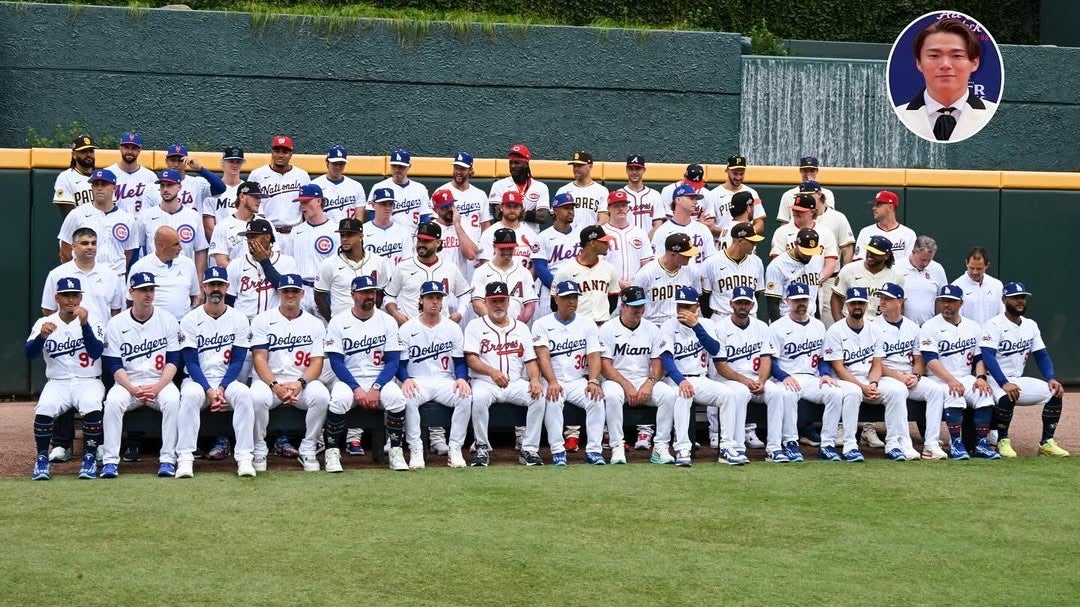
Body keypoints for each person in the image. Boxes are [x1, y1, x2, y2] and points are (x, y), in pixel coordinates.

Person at [322, 275, 409, 472]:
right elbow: (336, 362)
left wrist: (376, 387)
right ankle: (332, 452)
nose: (369, 296)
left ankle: (396, 451)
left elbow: (393, 361)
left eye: (372, 292)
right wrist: (356, 388)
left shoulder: (387, 321)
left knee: (397, 398)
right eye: (364, 293)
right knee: (338, 400)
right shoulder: (338, 321)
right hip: (348, 379)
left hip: (379, 378)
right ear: (353, 295)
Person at [100, 272, 182, 478]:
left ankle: (168, 459)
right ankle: (110, 461)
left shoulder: (168, 320)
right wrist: (132, 389)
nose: (148, 294)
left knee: (173, 400)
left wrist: (157, 387)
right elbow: (113, 364)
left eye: (151, 289)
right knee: (112, 402)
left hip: (160, 382)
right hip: (128, 383)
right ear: (131, 292)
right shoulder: (116, 323)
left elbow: (173, 361)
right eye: (143, 290)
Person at [177, 266, 256, 477]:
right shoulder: (190, 320)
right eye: (212, 285)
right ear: (204, 287)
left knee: (244, 394)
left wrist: (221, 387)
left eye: (220, 285)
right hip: (197, 380)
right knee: (190, 395)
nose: (215, 289)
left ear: (227, 287)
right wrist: (209, 390)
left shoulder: (238, 318)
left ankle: (244, 457)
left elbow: (238, 359)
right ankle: (185, 457)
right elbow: (191, 362)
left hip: (226, 381)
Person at [249, 274, 331, 472]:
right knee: (256, 397)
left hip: (300, 383)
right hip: (269, 382)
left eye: (295, 290)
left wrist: (300, 383)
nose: (290, 294)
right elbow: (259, 358)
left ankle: (309, 446)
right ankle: (259, 447)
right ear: (279, 293)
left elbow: (316, 362)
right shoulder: (263, 320)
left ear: (302, 293)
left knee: (321, 395)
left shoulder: (315, 323)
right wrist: (275, 386)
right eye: (286, 290)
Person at [26, 278, 105, 480]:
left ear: (80, 297)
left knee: (91, 404)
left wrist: (85, 325)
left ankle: (89, 458)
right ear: (57, 298)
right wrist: (40, 338)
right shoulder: (44, 323)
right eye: (66, 295)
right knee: (44, 407)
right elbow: (30, 354)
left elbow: (96, 352)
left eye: (75, 295)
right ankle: (42, 460)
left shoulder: (93, 320)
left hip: (88, 379)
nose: (70, 300)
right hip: (58, 382)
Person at [599, 286, 687, 465]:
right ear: (623, 306)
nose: (639, 310)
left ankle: (660, 447)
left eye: (641, 306)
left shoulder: (652, 329)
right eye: (634, 306)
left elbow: (658, 362)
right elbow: (605, 366)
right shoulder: (608, 328)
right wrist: (626, 385)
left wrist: (650, 382)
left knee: (669, 395)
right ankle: (617, 446)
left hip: (643, 379)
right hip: (616, 379)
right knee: (612, 395)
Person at [714, 286, 802, 463]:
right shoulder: (720, 327)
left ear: (752, 305)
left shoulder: (761, 326)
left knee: (776, 393)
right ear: (731, 304)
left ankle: (774, 448)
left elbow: (766, 358)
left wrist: (761, 381)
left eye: (746, 303)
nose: (743, 307)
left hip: (755, 378)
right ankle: (737, 448)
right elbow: (720, 366)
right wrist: (746, 381)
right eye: (739, 303)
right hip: (729, 379)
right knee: (739, 393)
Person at [825, 287, 913, 461]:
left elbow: (877, 364)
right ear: (846, 305)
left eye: (860, 303)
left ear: (866, 305)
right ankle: (850, 445)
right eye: (853, 303)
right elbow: (839, 367)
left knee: (898, 390)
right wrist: (862, 386)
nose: (857, 306)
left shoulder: (874, 330)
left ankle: (894, 444)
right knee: (853, 392)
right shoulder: (835, 330)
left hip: (869, 378)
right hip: (846, 380)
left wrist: (872, 384)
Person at [983, 282, 1069, 458]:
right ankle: (1002, 440)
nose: (1020, 301)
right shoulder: (994, 324)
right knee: (1008, 395)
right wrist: (1004, 383)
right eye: (1015, 298)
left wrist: (1051, 377)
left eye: (1022, 297)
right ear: (1004, 299)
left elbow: (1041, 355)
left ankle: (1047, 442)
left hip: (1017, 378)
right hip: (994, 379)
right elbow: (988, 356)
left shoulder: (1030, 325)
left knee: (1055, 392)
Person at [464, 282, 545, 466]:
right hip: (485, 382)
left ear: (509, 302)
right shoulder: (475, 326)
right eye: (494, 301)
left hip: (514, 383)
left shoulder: (521, 328)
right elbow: (471, 359)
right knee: (477, 398)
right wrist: (492, 372)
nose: (498, 305)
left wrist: (534, 379)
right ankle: (482, 447)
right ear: (485, 302)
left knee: (538, 396)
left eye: (502, 300)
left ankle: (529, 449)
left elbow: (531, 360)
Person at [658, 286, 740, 466]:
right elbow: (666, 358)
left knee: (728, 395)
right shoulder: (668, 325)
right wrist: (681, 381)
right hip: (676, 379)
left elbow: (715, 349)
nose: (683, 310)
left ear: (697, 306)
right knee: (683, 395)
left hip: (701, 379)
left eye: (688, 306)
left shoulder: (707, 324)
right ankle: (682, 448)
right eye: (680, 306)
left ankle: (726, 448)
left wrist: (696, 326)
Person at [768, 283, 848, 462]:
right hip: (786, 377)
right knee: (788, 395)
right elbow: (771, 360)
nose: (800, 303)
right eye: (796, 300)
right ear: (787, 301)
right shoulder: (777, 327)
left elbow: (822, 358)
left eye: (803, 299)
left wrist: (826, 373)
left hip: (812, 378)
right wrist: (784, 376)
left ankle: (827, 444)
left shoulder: (818, 326)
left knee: (835, 393)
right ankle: (790, 443)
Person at [398, 281, 474, 468]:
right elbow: (399, 364)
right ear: (421, 300)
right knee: (407, 398)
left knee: (465, 396)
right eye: (430, 297)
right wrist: (405, 379)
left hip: (444, 381)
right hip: (417, 381)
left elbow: (459, 362)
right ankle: (416, 448)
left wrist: (462, 378)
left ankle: (455, 449)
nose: (435, 302)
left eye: (438, 298)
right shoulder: (407, 328)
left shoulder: (452, 328)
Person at [918, 285, 998, 460]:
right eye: (943, 301)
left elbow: (979, 358)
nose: (946, 305)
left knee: (984, 394)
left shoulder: (973, 326)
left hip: (966, 376)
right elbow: (930, 359)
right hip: (939, 378)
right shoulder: (930, 326)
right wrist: (950, 380)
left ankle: (982, 444)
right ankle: (955, 444)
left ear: (961, 303)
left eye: (951, 301)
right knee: (954, 393)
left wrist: (981, 377)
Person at [532, 281, 606, 465]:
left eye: (574, 297)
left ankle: (594, 451)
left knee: (595, 398)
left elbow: (594, 355)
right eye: (566, 297)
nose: (571, 301)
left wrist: (594, 380)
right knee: (554, 399)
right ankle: (558, 450)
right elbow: (543, 357)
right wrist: (552, 382)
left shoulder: (587, 324)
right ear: (556, 298)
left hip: (576, 380)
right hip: (552, 380)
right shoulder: (542, 323)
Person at [872, 282, 947, 459]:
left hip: (908, 374)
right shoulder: (873, 327)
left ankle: (931, 444)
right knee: (898, 391)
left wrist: (916, 375)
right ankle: (903, 443)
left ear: (900, 302)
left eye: (887, 299)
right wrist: (899, 376)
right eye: (881, 298)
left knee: (936, 390)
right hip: (885, 376)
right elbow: (874, 363)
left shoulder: (913, 327)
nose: (882, 301)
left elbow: (919, 359)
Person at [893, 17, 998, 143]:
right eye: (934, 56)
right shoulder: (896, 116)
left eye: (957, 56)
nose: (945, 65)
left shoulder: (995, 115)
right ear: (919, 63)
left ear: (974, 63)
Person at [384, 221, 471, 325]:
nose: (421, 244)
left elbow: (465, 293)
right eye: (419, 240)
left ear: (438, 243)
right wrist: (396, 314)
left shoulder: (450, 268)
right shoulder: (403, 267)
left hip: (441, 330)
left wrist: (460, 313)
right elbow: (389, 296)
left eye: (426, 241)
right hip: (411, 330)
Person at [57, 168, 139, 276]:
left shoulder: (127, 219)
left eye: (104, 184)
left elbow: (128, 252)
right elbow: (65, 250)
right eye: (96, 184)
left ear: (114, 187)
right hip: (85, 276)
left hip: (116, 277)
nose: (99, 188)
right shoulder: (77, 214)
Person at [135, 169, 210, 278]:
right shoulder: (146, 215)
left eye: (170, 185)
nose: (165, 189)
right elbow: (137, 246)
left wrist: (198, 281)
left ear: (179, 187)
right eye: (162, 185)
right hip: (154, 276)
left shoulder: (192, 216)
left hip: (184, 275)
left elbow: (200, 250)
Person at [314, 217, 391, 321]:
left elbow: (380, 293)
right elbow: (319, 297)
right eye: (342, 235)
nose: (345, 239)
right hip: (342, 324)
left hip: (371, 322)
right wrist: (333, 320)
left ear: (361, 236)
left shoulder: (378, 261)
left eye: (349, 235)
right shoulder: (328, 264)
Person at [226, 218, 298, 321]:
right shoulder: (235, 265)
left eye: (254, 236)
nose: (250, 241)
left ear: (267, 237)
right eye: (248, 237)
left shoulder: (287, 262)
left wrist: (265, 262)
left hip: (275, 323)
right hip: (244, 324)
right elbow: (229, 299)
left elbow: (286, 290)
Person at [282, 183, 339, 314]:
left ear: (319, 201)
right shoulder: (295, 232)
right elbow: (289, 264)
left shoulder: (335, 230)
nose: (303, 206)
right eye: (301, 202)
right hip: (301, 290)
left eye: (306, 202)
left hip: (325, 290)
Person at [434, 152, 490, 279]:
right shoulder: (442, 191)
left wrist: (484, 255)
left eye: (463, 169)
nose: (459, 172)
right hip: (452, 247)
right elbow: (436, 222)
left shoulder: (480, 194)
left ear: (470, 170)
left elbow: (486, 226)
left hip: (475, 252)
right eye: (456, 168)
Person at [770, 193, 839, 293]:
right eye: (794, 209)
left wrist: (817, 280)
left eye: (801, 210)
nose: (796, 212)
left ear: (812, 212)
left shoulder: (825, 232)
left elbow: (830, 263)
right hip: (788, 287)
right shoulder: (782, 232)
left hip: (814, 287)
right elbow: (776, 261)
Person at [128, 226, 200, 320]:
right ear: (161, 246)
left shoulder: (188, 264)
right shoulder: (140, 267)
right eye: (176, 244)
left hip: (183, 324)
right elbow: (130, 300)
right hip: (154, 326)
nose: (180, 248)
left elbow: (193, 295)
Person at [553, 226, 621, 324]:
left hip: (603, 325)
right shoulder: (566, 270)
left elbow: (613, 299)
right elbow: (555, 303)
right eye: (603, 241)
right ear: (592, 243)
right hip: (578, 327)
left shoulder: (609, 268)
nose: (608, 244)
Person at [247, 135, 311, 238]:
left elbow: (308, 205)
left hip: (295, 231)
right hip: (267, 232)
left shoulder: (302, 176)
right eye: (277, 151)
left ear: (291, 154)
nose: (280, 155)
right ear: (272, 152)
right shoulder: (257, 175)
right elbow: (249, 204)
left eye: (285, 152)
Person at [470, 227, 538, 323]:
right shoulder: (481, 271)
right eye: (502, 248)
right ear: (494, 247)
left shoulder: (524, 272)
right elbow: (477, 303)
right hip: (488, 327)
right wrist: (496, 323)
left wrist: (517, 326)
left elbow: (530, 305)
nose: (507, 251)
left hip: (516, 327)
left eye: (510, 248)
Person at [632, 233, 700, 327]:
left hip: (682, 325)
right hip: (654, 326)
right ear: (673, 254)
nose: (690, 256)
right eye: (686, 254)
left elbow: (696, 301)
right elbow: (632, 303)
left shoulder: (693, 271)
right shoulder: (645, 273)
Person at [832, 234, 904, 322]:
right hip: (853, 323)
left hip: (882, 326)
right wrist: (840, 324)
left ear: (887, 255)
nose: (870, 255)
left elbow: (900, 305)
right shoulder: (849, 269)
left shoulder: (896, 276)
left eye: (875, 253)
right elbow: (836, 299)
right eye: (869, 250)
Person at [700, 222, 765, 319]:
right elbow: (704, 298)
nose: (755, 244)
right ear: (740, 241)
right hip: (721, 317)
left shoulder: (757, 262)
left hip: (749, 318)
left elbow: (756, 294)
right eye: (752, 241)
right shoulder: (711, 262)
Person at [532, 192, 580, 319]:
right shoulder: (543, 237)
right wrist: (558, 288)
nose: (570, 211)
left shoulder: (580, 236)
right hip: (550, 292)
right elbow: (540, 268)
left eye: (572, 208)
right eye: (566, 208)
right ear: (556, 211)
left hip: (575, 291)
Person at [209, 181, 275, 267]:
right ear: (242, 197)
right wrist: (243, 274)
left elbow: (275, 254)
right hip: (235, 278)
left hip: (263, 276)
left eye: (260, 197)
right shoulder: (222, 226)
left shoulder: (266, 224)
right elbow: (221, 261)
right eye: (255, 197)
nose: (259, 201)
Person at [764, 228, 824, 321]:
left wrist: (817, 319)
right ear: (796, 244)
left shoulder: (817, 259)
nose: (808, 256)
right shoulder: (777, 265)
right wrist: (778, 327)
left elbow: (813, 292)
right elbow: (772, 303)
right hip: (786, 320)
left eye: (811, 252)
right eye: (805, 252)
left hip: (810, 320)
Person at [487, 143, 550, 234]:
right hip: (506, 237)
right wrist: (530, 214)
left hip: (531, 237)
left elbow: (542, 217)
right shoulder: (499, 185)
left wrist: (511, 212)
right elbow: (498, 215)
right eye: (511, 163)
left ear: (526, 164)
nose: (513, 166)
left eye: (517, 163)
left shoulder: (540, 187)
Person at [365, 148, 431, 234]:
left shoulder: (420, 188)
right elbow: (372, 215)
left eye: (401, 167)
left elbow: (425, 217)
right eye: (394, 166)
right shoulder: (379, 187)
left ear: (409, 166)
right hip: (388, 236)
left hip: (414, 236)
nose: (397, 170)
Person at [702, 155, 766, 243]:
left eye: (741, 174)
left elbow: (760, 223)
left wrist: (746, 233)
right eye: (735, 173)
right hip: (722, 246)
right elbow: (710, 227)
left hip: (747, 245)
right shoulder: (713, 194)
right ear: (727, 171)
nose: (738, 177)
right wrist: (732, 234)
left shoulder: (752, 193)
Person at [601, 189, 655, 291]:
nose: (621, 208)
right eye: (616, 206)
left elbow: (647, 265)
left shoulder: (640, 232)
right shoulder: (601, 233)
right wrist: (616, 282)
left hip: (635, 288)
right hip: (609, 289)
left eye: (624, 205)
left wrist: (635, 283)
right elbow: (598, 264)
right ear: (608, 208)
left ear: (628, 208)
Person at [651, 183, 716, 266]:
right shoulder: (662, 231)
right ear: (678, 200)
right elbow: (658, 264)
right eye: (691, 198)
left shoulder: (703, 229)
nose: (696, 202)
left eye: (695, 199)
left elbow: (711, 260)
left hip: (700, 278)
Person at [476, 191, 539, 269]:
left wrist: (528, 280)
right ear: (501, 208)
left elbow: (535, 265)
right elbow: (485, 263)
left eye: (515, 206)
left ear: (521, 209)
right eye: (508, 206)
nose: (512, 210)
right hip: (497, 278)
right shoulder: (489, 233)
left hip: (524, 279)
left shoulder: (531, 234)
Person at [430, 188, 482, 284]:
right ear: (435, 210)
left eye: (451, 204)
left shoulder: (465, 225)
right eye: (444, 207)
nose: (449, 209)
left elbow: (471, 255)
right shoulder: (430, 229)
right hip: (437, 283)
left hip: (461, 284)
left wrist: (457, 225)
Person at [894, 235, 948, 325]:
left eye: (929, 260)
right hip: (904, 327)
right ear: (913, 252)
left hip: (930, 328)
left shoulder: (937, 269)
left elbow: (942, 299)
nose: (925, 263)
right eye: (922, 259)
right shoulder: (897, 267)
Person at [159, 143, 227, 210]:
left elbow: (221, 188)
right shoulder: (155, 187)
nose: (176, 164)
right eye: (172, 160)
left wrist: (200, 169)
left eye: (181, 160)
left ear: (187, 161)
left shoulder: (197, 183)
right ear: (166, 161)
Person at [853, 191, 917, 261]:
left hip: (900, 272)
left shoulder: (909, 234)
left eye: (878, 205)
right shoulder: (865, 232)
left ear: (890, 207)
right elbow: (859, 261)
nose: (873, 208)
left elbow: (910, 263)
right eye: (874, 205)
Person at [200, 146, 247, 238]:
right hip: (220, 242)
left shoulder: (247, 189)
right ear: (222, 163)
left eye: (238, 162)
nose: (234, 165)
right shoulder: (213, 189)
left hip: (244, 241)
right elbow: (209, 227)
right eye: (230, 161)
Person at [106, 132, 159, 216]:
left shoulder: (150, 177)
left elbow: (157, 205)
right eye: (126, 147)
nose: (130, 151)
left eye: (134, 148)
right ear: (120, 148)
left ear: (139, 150)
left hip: (142, 224)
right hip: (116, 224)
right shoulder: (108, 173)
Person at [312, 145, 366, 223]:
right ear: (327, 163)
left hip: (349, 231)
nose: (338, 167)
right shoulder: (315, 185)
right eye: (335, 163)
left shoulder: (356, 186)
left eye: (341, 164)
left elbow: (359, 219)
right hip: (324, 232)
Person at [556, 151, 608, 229]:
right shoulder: (563, 190)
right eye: (574, 166)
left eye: (579, 165)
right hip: (568, 237)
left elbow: (604, 217)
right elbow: (556, 216)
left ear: (590, 166)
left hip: (591, 237)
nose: (576, 169)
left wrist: (593, 230)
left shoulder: (601, 190)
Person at [951, 246, 1004, 325]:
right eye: (972, 268)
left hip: (993, 335)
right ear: (966, 263)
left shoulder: (997, 285)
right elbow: (956, 319)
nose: (974, 272)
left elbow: (1002, 314)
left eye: (979, 269)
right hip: (968, 335)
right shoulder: (956, 286)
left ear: (987, 265)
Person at [776, 156, 837, 224]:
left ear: (817, 171)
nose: (808, 174)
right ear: (800, 171)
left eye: (812, 171)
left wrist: (818, 195)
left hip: (821, 231)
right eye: (805, 171)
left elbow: (831, 216)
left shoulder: (827, 193)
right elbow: (784, 222)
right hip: (797, 231)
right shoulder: (788, 195)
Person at [363, 187, 413, 266]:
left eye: (390, 204)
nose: (387, 208)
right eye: (383, 204)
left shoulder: (403, 232)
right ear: (373, 205)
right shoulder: (363, 231)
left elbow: (408, 262)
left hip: (397, 277)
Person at [617, 155, 664, 235]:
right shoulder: (619, 194)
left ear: (644, 170)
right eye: (631, 169)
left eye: (638, 169)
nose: (634, 172)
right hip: (626, 243)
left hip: (649, 244)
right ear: (626, 170)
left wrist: (646, 241)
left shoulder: (654, 195)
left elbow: (658, 223)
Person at [53, 134, 97, 217]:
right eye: (83, 151)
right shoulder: (65, 177)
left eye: (91, 150)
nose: (88, 154)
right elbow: (69, 216)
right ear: (74, 155)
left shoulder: (102, 177)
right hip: (79, 228)